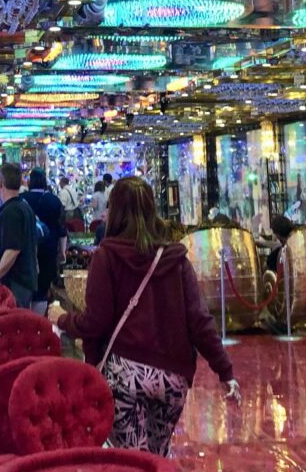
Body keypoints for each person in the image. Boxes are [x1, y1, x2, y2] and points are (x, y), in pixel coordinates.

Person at [50, 178, 239, 456]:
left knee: (134, 464)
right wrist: (225, 371)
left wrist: (62, 318)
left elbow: (95, 322)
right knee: (156, 458)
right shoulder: (175, 259)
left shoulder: (107, 256)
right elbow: (199, 321)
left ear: (114, 211)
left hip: (126, 376)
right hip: (173, 378)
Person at [0, 163, 37, 308]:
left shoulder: (11, 212)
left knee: (14, 326)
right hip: (25, 279)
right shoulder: (24, 206)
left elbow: (12, 250)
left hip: (16, 282)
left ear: (0, 184)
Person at [23, 168, 65, 315]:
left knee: (27, 286)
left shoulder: (22, 199)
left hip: (26, 249)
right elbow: (62, 229)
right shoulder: (54, 200)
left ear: (30, 181)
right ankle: (39, 321)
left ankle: (26, 319)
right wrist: (63, 252)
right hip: (49, 247)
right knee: (43, 285)